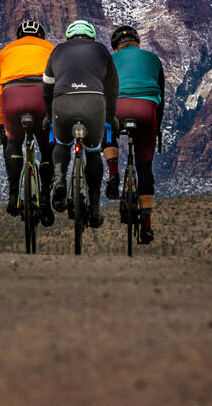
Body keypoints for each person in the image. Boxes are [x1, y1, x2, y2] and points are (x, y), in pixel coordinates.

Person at [43, 20, 118, 228]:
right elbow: (112, 89)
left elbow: (47, 88)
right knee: (93, 152)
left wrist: (49, 115)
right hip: (93, 103)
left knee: (62, 143)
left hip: (62, 103)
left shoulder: (57, 51)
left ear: (69, 37)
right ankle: (94, 209)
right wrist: (110, 118)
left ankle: (59, 178)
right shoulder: (101, 50)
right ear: (91, 36)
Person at [103, 25, 165, 244]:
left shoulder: (109, 60)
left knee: (107, 128)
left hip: (118, 108)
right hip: (146, 111)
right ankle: (147, 227)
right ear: (138, 43)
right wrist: (156, 130)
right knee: (144, 168)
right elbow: (161, 100)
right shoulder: (154, 59)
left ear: (116, 46)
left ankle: (113, 174)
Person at [0, 19, 57, 226]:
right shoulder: (51, 49)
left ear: (19, 36)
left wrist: (1, 121)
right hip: (42, 97)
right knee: (48, 149)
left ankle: (13, 196)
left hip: (13, 96)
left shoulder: (6, 51)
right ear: (42, 37)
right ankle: (45, 199)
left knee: (13, 142)